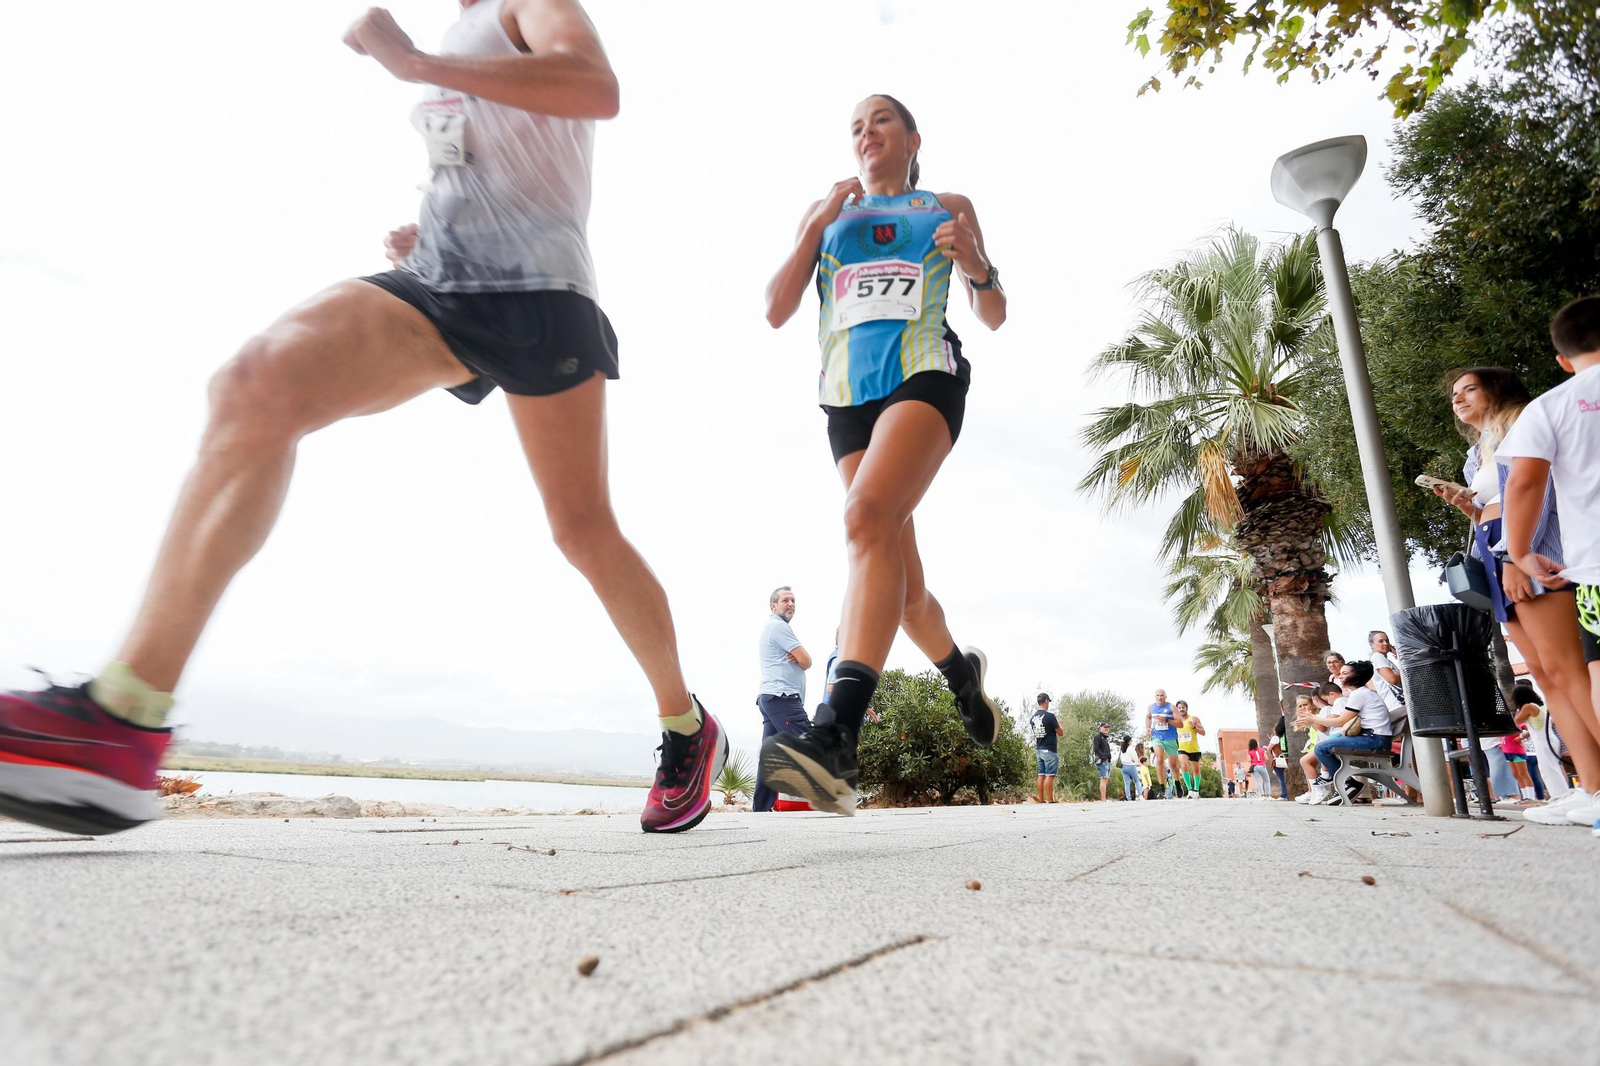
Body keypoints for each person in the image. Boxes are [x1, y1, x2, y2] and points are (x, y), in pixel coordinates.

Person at [0, 0, 727, 839]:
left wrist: (417, 63)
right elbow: (504, 153)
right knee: (254, 383)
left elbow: (596, 88)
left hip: (538, 296)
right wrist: (437, 217)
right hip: (435, 282)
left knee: (582, 530)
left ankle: (685, 727)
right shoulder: (460, 29)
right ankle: (122, 720)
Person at [757, 94, 1006, 815]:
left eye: (882, 121)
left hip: (925, 370)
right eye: (857, 126)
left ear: (912, 138)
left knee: (864, 517)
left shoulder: (947, 204)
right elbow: (775, 308)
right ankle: (963, 678)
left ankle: (835, 739)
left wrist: (979, 266)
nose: (867, 133)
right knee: (901, 585)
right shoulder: (828, 212)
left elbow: (992, 311)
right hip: (846, 399)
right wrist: (810, 224)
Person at [1439, 357, 1600, 828]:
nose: (1459, 398)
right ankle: (1590, 785)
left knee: (1568, 670)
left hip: (1531, 554)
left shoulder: (1525, 424)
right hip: (1496, 554)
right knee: (1549, 677)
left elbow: (1539, 493)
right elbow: (1496, 504)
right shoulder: (1479, 451)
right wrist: (1470, 509)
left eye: (1469, 389)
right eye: (1455, 394)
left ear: (1498, 389)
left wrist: (1513, 554)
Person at [1503, 297, 1600, 834]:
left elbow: (1524, 482)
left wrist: (1519, 551)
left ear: (1562, 359)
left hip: (1593, 567)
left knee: (1597, 667)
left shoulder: (1552, 405)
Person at [753, 587, 813, 813]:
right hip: (782, 698)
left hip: (771, 699)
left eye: (793, 600)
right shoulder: (778, 627)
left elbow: (802, 659)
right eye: (785, 600)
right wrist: (800, 658)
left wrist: (798, 657)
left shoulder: (775, 628)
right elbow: (806, 661)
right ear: (773, 606)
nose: (790, 604)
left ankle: (760, 810)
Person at [1301, 662, 1395, 806]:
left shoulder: (1359, 694)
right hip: (1373, 738)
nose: (1340, 677)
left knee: (1321, 748)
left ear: (1356, 676)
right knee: (1323, 746)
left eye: (1345, 674)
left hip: (1375, 740)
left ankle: (1347, 783)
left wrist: (1313, 718)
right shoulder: (1360, 693)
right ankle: (1346, 783)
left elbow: (1341, 721)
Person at [1514, 683, 1571, 802]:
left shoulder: (1527, 707)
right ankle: (1563, 794)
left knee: (1547, 770)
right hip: (1550, 738)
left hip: (1542, 740)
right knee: (1554, 768)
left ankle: (1558, 796)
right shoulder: (1541, 705)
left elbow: (1516, 721)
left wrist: (1518, 708)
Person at [1029, 694, 1063, 803]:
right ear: (1046, 701)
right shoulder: (1050, 716)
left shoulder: (1033, 718)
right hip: (1049, 749)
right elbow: (1060, 733)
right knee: (1050, 775)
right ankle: (1050, 799)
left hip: (1039, 749)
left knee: (1041, 774)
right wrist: (1061, 725)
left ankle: (1041, 799)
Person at [1145, 689, 1178, 793]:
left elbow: (1180, 723)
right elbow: (1148, 717)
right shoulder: (1151, 707)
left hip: (1170, 738)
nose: (1160, 697)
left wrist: (1167, 720)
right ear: (1155, 697)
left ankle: (1177, 781)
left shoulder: (1171, 707)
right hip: (1156, 737)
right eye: (1158, 695)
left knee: (1173, 765)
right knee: (1159, 759)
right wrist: (1148, 728)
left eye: (1162, 695)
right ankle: (1161, 787)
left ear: (1165, 696)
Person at [1174, 702, 1204, 800]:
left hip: (1194, 749)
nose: (1181, 709)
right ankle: (1189, 790)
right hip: (1182, 749)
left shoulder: (1194, 719)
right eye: (1179, 707)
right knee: (1184, 765)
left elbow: (1203, 732)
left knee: (1196, 770)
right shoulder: (1176, 721)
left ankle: (1196, 790)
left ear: (1186, 708)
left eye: (1183, 707)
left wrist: (1194, 727)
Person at [1092, 722, 1114, 800]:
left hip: (1107, 762)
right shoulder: (1098, 737)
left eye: (1107, 727)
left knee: (1106, 779)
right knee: (1103, 779)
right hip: (1102, 762)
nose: (1106, 729)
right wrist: (1103, 758)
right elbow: (1096, 749)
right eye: (1104, 727)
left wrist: (1109, 759)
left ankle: (1104, 798)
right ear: (1100, 728)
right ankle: (1103, 799)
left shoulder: (1105, 739)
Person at [1270, 717, 1289, 799]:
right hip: (1285, 758)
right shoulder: (1283, 737)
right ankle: (1284, 794)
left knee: (1281, 779)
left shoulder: (1275, 738)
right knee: (1282, 778)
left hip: (1277, 760)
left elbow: (1269, 748)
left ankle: (1284, 795)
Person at [1118, 735, 1140, 802]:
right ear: (1129, 741)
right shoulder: (1130, 748)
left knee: (1126, 783)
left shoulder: (1121, 749)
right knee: (1136, 781)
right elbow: (1135, 758)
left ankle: (1128, 798)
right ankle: (1140, 795)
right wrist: (1136, 762)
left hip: (1123, 767)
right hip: (1131, 766)